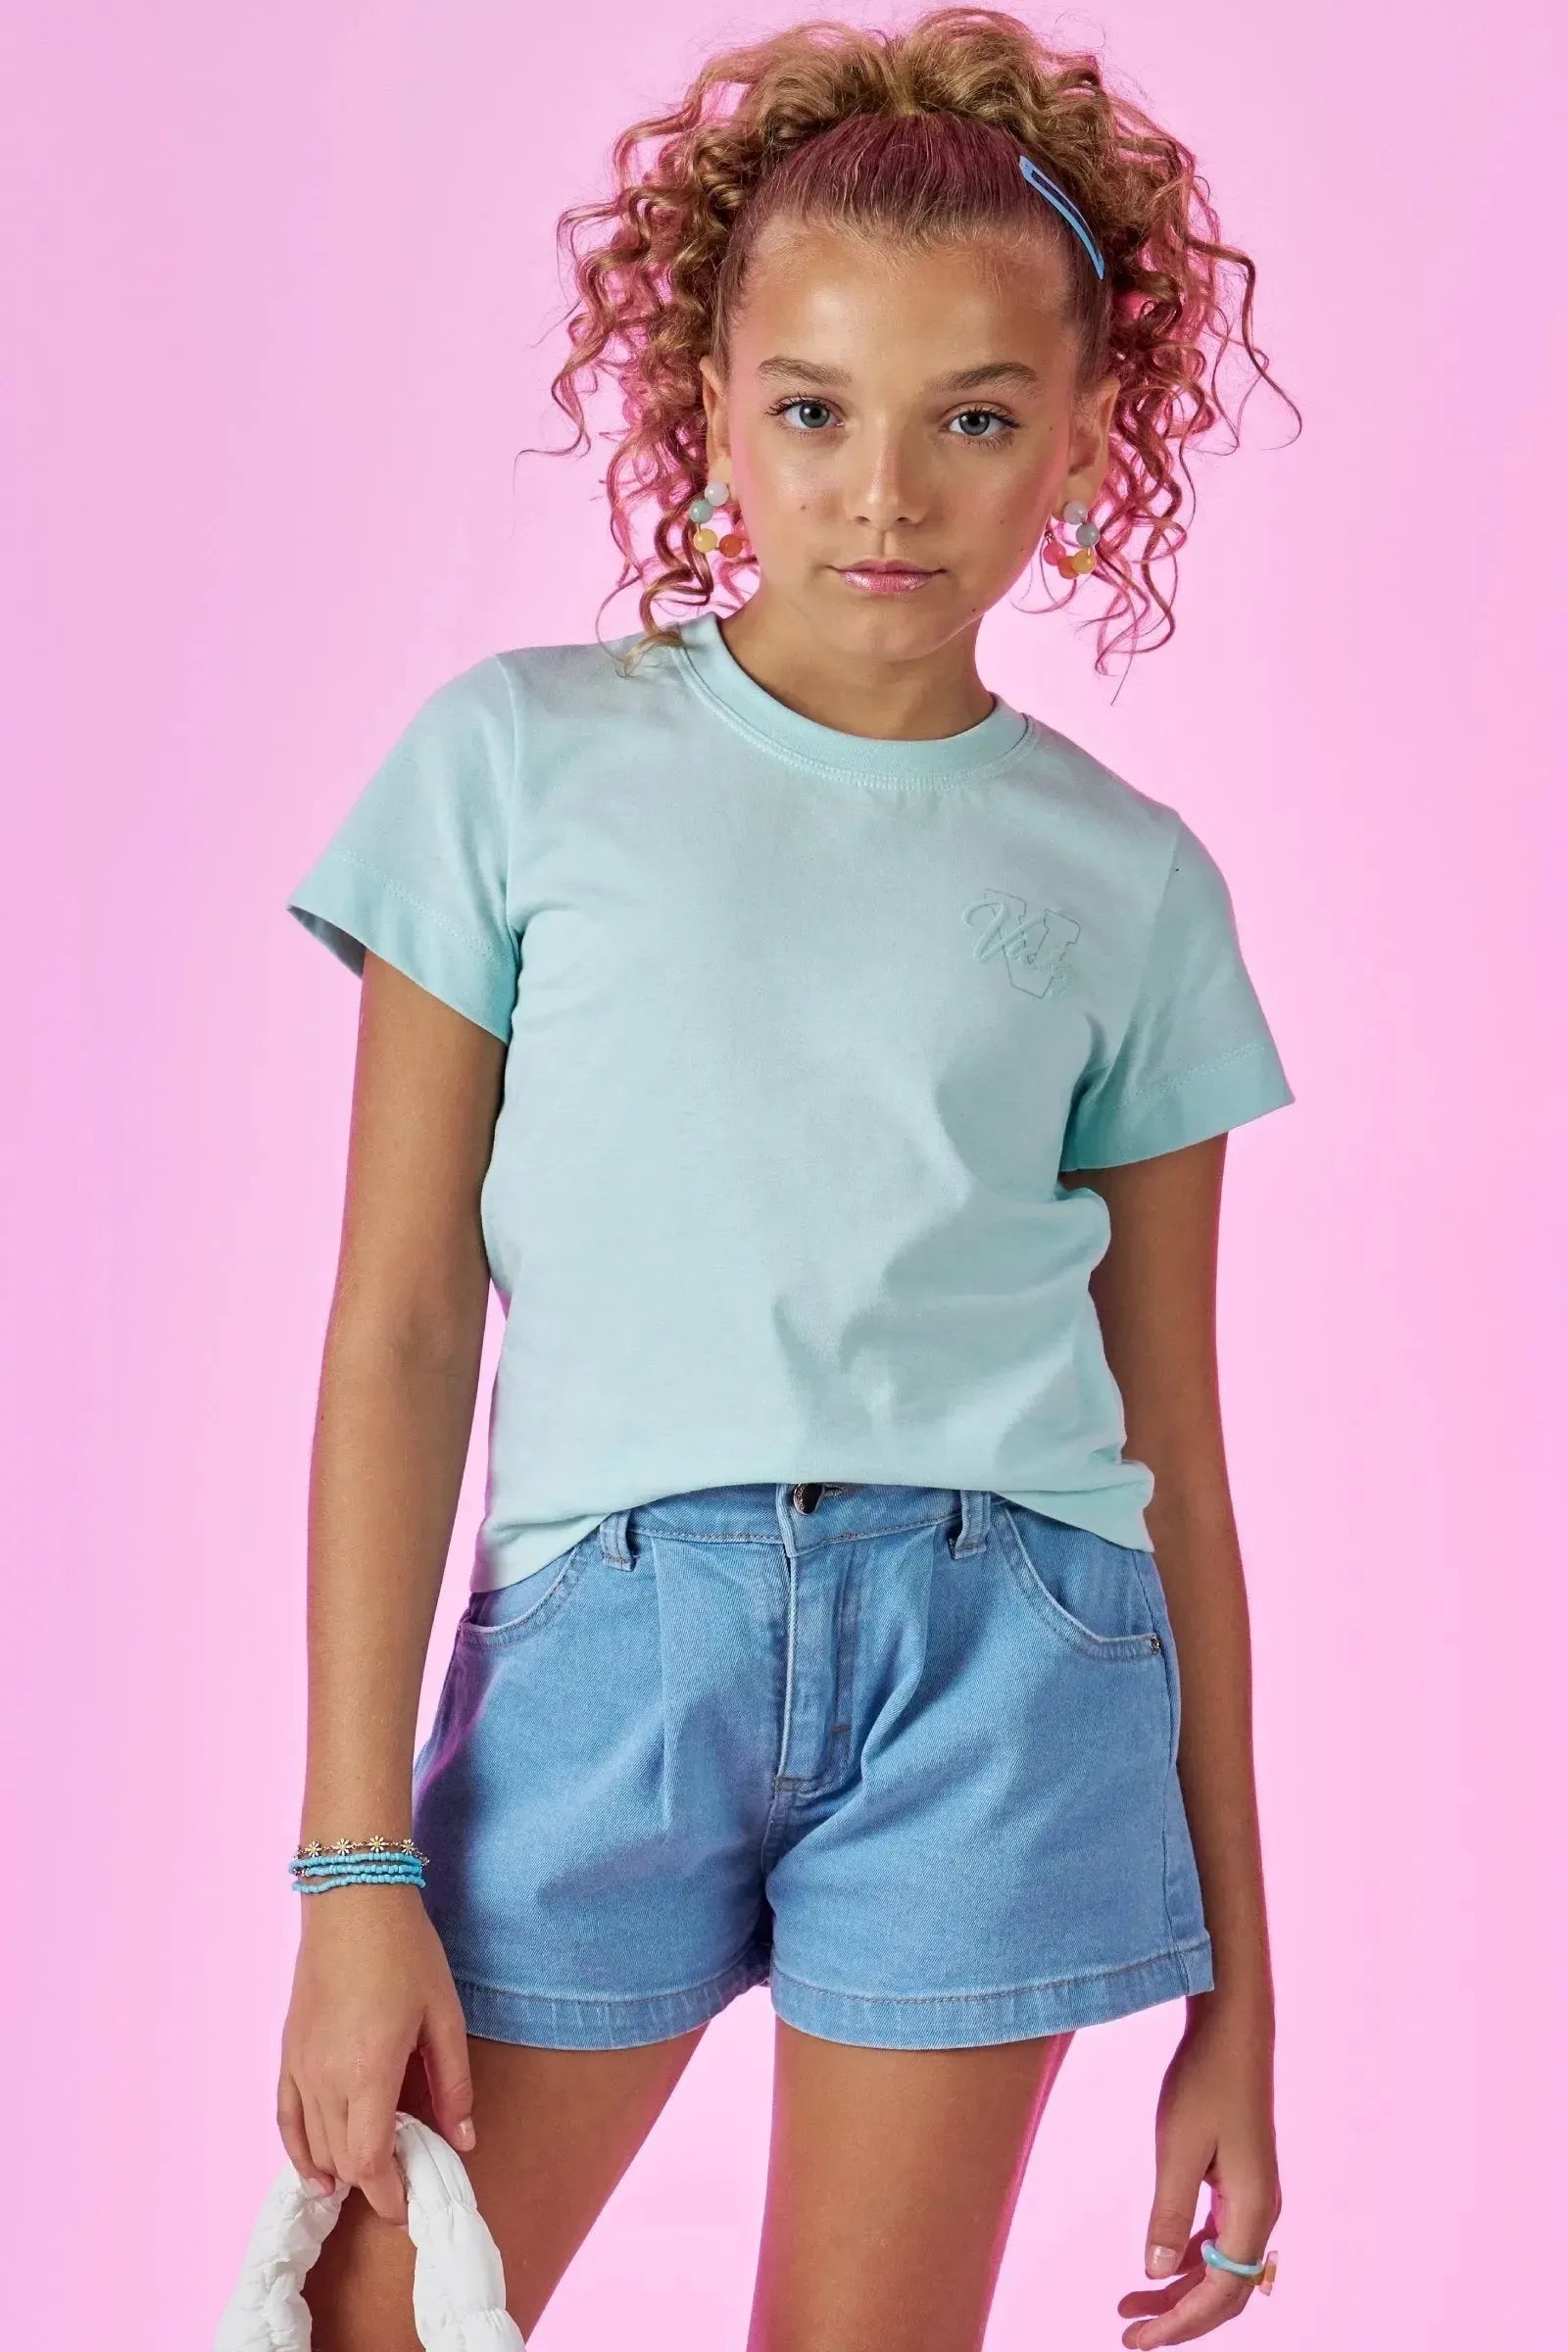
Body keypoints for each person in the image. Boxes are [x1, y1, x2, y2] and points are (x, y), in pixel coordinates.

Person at [274, 11, 1298, 2346]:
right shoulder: (516, 765)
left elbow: (1172, 1449)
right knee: (369, 2317)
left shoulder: (1127, 880)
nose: (884, 494)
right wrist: (350, 1866)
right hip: (605, 1648)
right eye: (816, 410)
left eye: (975, 418)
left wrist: (1235, 1995)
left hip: (1003, 1665)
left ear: (1087, 434)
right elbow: (401, 1328)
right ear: (711, 406)